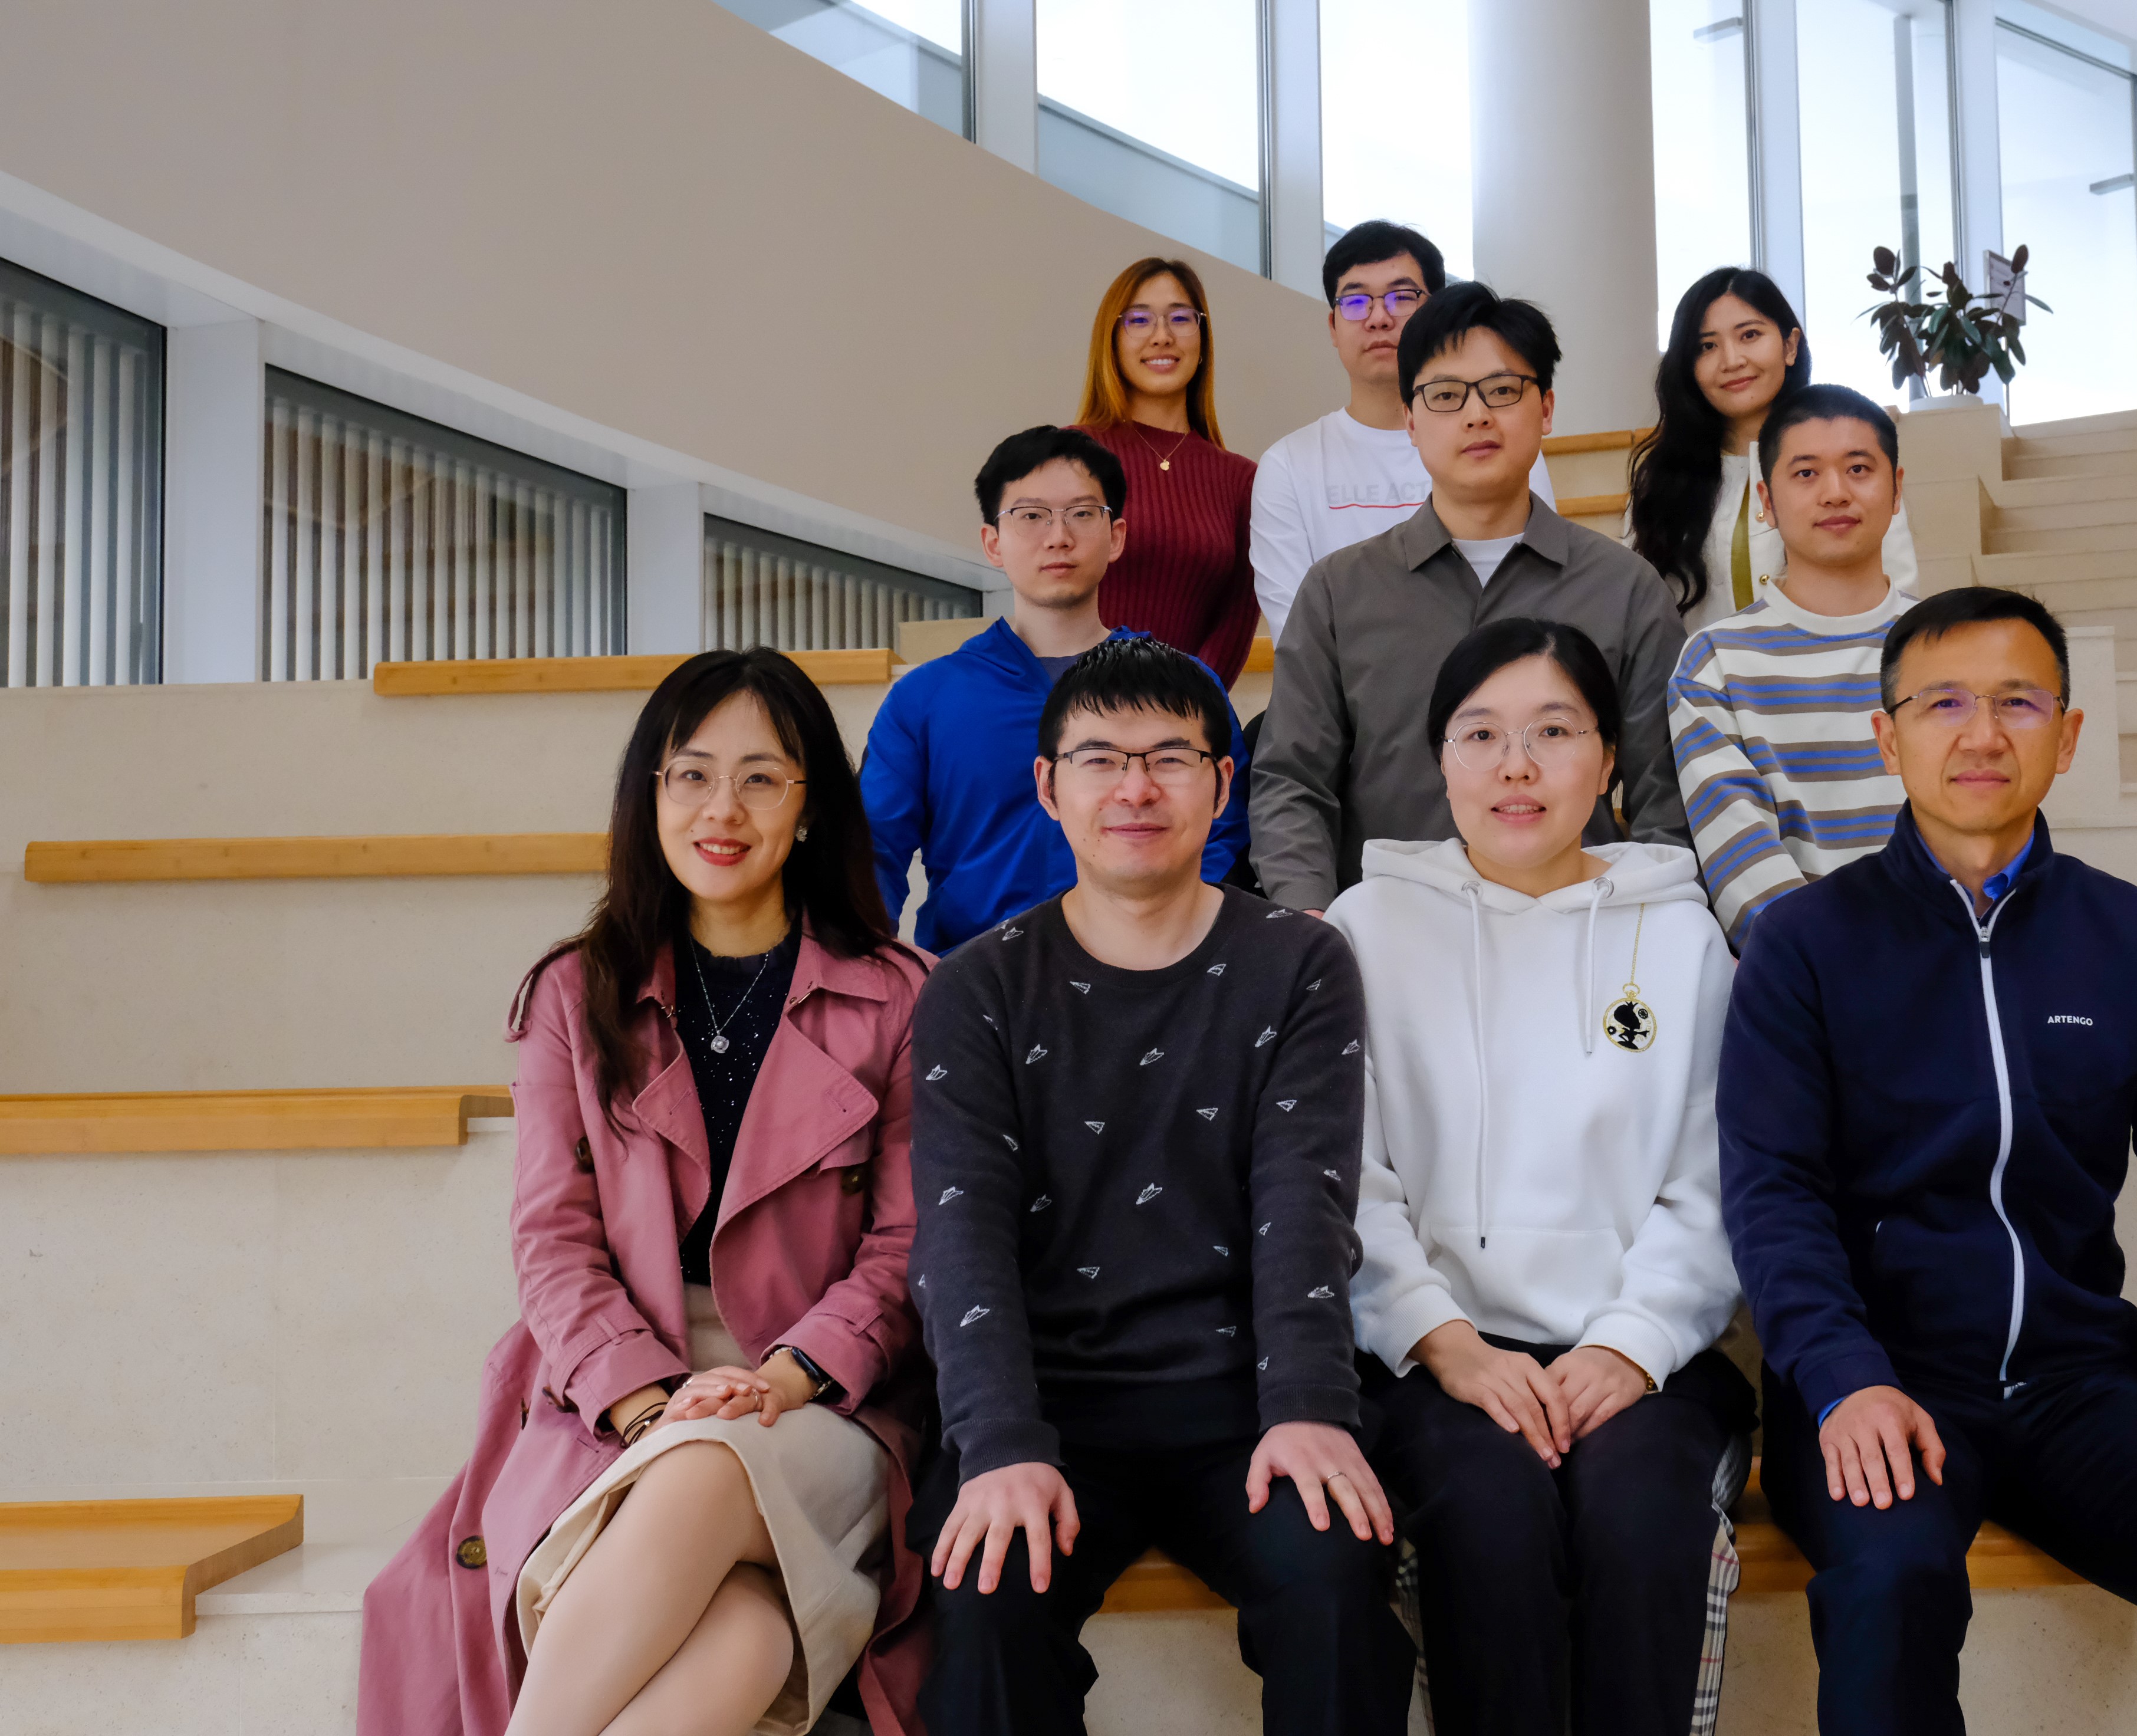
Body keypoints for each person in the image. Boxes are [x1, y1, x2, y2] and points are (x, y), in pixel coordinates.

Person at [1721, 587, 2137, 1735]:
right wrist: (1843, 1375)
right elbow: (1774, 1194)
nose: (1981, 733)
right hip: (1883, 1380)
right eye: (1943, 703)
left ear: (2067, 735)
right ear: (1887, 737)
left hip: (2078, 1385)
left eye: (2018, 702)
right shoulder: (1804, 944)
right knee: (1891, 1584)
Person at [360, 650, 934, 1736]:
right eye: (693, 775)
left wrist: (782, 1376)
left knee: (709, 1465)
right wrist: (646, 1400)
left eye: (761, 778)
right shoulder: (575, 993)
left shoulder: (901, 998)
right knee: (750, 1642)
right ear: (651, 795)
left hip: (825, 1396)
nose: (723, 809)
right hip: (620, 1383)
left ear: (811, 805)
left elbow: (908, 1245)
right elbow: (553, 1244)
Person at [905, 634, 1414, 1735]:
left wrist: (1310, 1408)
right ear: (1048, 787)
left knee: (1335, 1582)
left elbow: (1304, 1202)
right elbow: (959, 1233)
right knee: (986, 1602)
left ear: (1222, 785)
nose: (1135, 787)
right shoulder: (977, 984)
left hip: (1245, 1396)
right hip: (1049, 1399)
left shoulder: (1300, 961)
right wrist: (998, 1442)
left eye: (1170, 758)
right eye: (1099, 758)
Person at [1329, 619, 1754, 1736]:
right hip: (1435, 1356)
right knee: (1488, 1519)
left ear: (1609, 762)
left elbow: (1714, 1180)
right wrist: (1442, 1339)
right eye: (1481, 735)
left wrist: (1630, 1342)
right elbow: (1345, 1175)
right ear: (1442, 761)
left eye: (1554, 732)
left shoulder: (1682, 937)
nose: (1515, 766)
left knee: (1641, 1522)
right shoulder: (1364, 929)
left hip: (1644, 1360)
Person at [1252, 281, 1689, 915]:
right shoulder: (1337, 593)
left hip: (1579, 930)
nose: (1477, 414)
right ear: (1410, 420)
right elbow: (1292, 782)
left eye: (1503, 390)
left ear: (1546, 408)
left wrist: (1649, 924)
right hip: (1387, 934)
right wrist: (1312, 925)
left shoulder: (1626, 590)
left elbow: (1665, 793)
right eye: (1445, 395)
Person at [861, 424, 1249, 953]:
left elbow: (1226, 831)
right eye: (1031, 516)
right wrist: (872, 977)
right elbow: (872, 854)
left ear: (1116, 536)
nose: (1058, 536)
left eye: (1082, 514)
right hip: (974, 979)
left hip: (1153, 974)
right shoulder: (924, 700)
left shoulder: (1184, 686)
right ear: (993, 543)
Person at [1669, 382, 1921, 949]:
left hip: (1946, 957)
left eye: (1859, 469)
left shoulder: (1947, 645)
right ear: (1767, 499)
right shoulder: (1715, 663)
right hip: (1803, 975)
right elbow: (1741, 865)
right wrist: (1830, 970)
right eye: (1806, 473)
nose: (1835, 493)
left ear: (1896, 490)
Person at [1248, 219, 1557, 644]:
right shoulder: (1287, 466)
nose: (1379, 318)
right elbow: (1300, 638)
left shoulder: (1494, 442)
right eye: (1356, 301)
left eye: (1402, 297)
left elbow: (1538, 593)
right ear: (1333, 326)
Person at [1626, 267, 1918, 630]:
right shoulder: (1662, 480)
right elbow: (1638, 614)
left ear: (1790, 346)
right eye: (1707, 346)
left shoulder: (1850, 461)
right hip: (1701, 668)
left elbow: (1897, 597)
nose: (1732, 361)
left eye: (1749, 335)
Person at [1072, 256, 1260, 691]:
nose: (1162, 336)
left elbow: (1237, 618)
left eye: (1180, 318)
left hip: (1189, 715)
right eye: (1139, 320)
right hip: (1075, 709)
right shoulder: (1069, 456)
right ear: (1112, 339)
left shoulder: (1242, 480)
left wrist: (1181, 710)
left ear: (1203, 339)